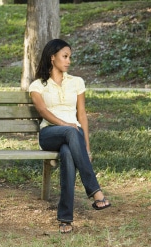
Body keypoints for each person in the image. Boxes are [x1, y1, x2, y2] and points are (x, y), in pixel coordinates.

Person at [28, 39, 111, 234]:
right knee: (71, 131)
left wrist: (86, 147)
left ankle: (65, 218)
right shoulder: (38, 85)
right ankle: (95, 191)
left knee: (67, 154)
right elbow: (42, 111)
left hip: (73, 136)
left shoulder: (77, 82)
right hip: (50, 133)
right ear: (52, 57)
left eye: (70, 57)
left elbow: (82, 115)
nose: (68, 61)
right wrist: (66, 125)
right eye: (65, 56)